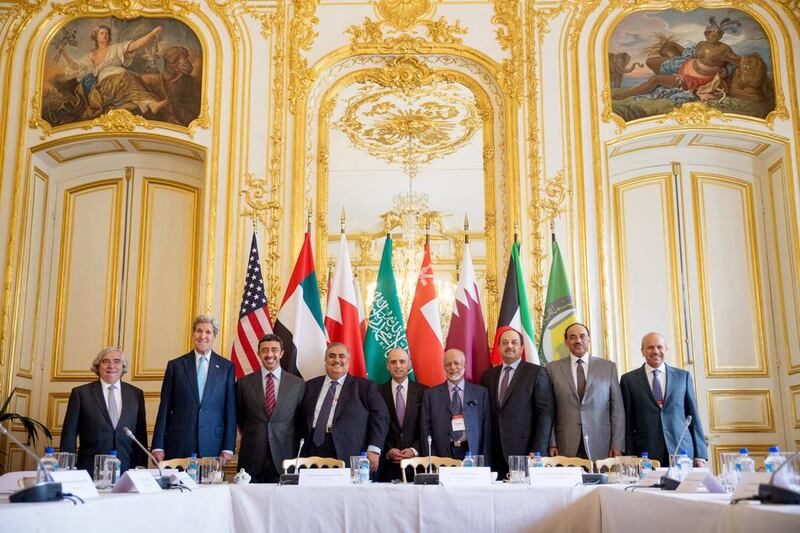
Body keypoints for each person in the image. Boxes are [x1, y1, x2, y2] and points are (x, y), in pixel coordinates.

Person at [152, 315, 236, 465]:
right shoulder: (175, 366)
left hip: (213, 444)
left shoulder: (226, 368)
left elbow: (230, 410)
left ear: (214, 336)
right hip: (179, 442)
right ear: (193, 334)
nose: (203, 336)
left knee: (210, 487)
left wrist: (228, 447)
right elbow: (164, 407)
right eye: (199, 331)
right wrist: (158, 444)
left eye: (208, 332)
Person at [620, 332, 707, 467]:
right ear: (642, 351)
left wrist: (700, 454)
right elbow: (627, 424)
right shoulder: (629, 380)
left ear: (666, 349)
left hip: (681, 451)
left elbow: (693, 417)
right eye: (650, 347)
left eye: (660, 347)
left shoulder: (682, 377)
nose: (656, 351)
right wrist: (629, 457)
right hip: (646, 454)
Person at [301, 342, 389, 473]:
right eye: (331, 356)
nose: (337, 360)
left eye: (341, 356)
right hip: (312, 449)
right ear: (325, 361)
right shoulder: (309, 386)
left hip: (350, 451)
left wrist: (374, 450)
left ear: (348, 361)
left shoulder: (364, 387)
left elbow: (381, 417)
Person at [60, 347, 148, 476]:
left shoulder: (136, 394)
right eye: (105, 361)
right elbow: (69, 435)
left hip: (126, 469)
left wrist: (141, 468)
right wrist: (67, 469)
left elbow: (140, 436)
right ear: (98, 366)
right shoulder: (81, 394)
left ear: (123, 366)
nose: (111, 366)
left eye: (117, 361)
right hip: (89, 469)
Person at [480, 329, 553, 477]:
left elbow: (545, 413)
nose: (509, 346)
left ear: (522, 348)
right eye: (505, 343)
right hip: (494, 451)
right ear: (499, 348)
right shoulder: (488, 376)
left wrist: (538, 448)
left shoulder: (537, 373)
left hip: (525, 450)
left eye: (514, 342)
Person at [613, 17, 741, 100]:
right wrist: (675, 46)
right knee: (651, 61)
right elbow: (690, 53)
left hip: (694, 79)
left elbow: (738, 61)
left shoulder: (724, 49)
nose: (713, 37)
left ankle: (628, 93)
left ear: (721, 36)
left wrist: (724, 69)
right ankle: (666, 81)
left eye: (717, 35)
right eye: (711, 34)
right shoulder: (702, 44)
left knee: (656, 79)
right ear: (706, 34)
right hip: (685, 65)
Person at [547, 323, 624, 461]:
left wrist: (617, 444)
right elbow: (549, 410)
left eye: (582, 336)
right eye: (572, 337)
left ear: (589, 339)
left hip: (601, 443)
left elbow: (617, 409)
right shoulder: (552, 368)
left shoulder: (608, 367)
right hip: (565, 442)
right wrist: (552, 442)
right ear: (566, 342)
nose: (578, 340)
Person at [236, 334, 306, 482]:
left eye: (274, 350)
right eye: (264, 350)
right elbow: (240, 418)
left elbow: (301, 421)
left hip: (285, 457)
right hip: (252, 456)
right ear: (258, 353)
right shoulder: (243, 384)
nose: (269, 355)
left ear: (281, 353)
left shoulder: (297, 384)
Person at [60, 24, 168, 119]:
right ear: (96, 36)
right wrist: (64, 53)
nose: (105, 35)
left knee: (127, 77)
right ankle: (151, 103)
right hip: (106, 82)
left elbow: (135, 45)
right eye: (102, 33)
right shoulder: (91, 56)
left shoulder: (116, 48)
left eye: (107, 33)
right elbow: (75, 67)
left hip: (121, 75)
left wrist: (152, 34)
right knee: (125, 77)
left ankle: (151, 104)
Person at [421, 349, 491, 461]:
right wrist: (431, 461)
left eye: (456, 363)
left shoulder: (481, 393)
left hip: (471, 452)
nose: (453, 367)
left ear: (465, 366)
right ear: (443, 367)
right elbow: (426, 431)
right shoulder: (430, 395)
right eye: (448, 364)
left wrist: (485, 461)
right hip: (442, 453)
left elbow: (486, 430)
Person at [377, 348, 427, 481]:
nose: (398, 365)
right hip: (386, 467)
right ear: (388, 366)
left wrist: (414, 450)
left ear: (409, 364)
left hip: (417, 466)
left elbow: (428, 426)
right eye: (393, 362)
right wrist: (388, 450)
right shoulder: (376, 393)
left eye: (402, 361)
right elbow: (374, 426)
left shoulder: (424, 392)